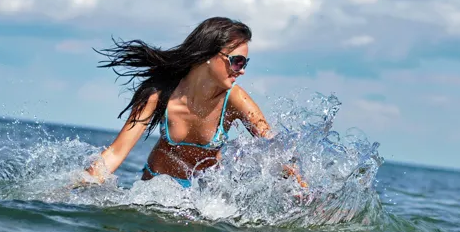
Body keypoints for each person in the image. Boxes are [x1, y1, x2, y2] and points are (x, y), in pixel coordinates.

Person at [83, 16, 307, 190]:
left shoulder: (236, 99)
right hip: (155, 192)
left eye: (245, 62)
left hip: (203, 201)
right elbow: (115, 153)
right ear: (209, 55)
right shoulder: (159, 94)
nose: (242, 70)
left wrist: (303, 189)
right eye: (237, 62)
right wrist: (78, 188)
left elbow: (274, 148)